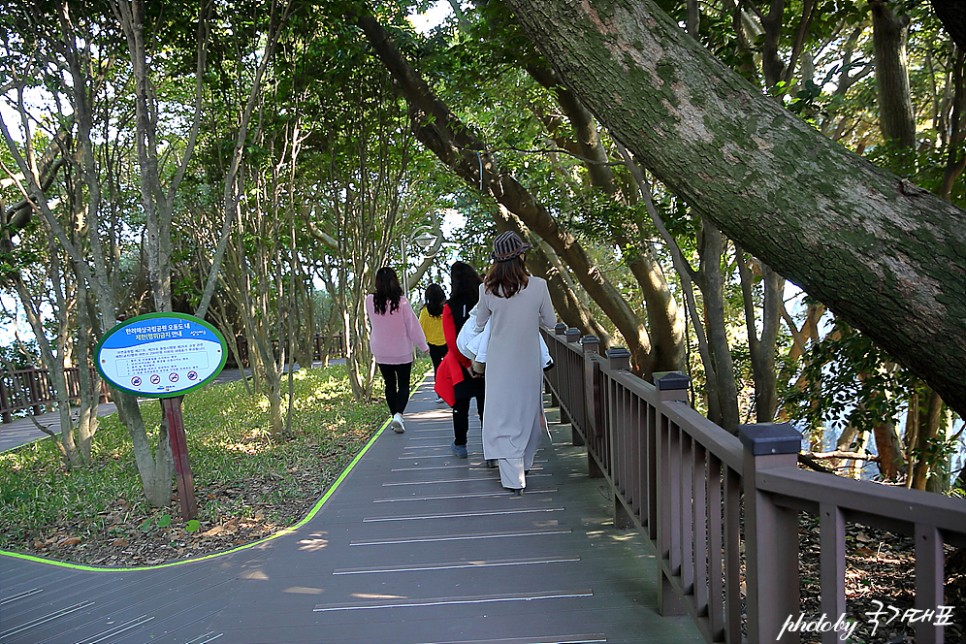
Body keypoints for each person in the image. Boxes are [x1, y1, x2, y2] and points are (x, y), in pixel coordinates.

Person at [476, 231, 555, 494]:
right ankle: (525, 462)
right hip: (528, 360)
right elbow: (551, 323)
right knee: (529, 411)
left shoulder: (486, 289)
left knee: (502, 416)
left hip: (499, 362)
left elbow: (480, 321)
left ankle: (514, 477)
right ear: (521, 256)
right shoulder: (539, 286)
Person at [366, 267, 429, 433]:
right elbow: (412, 327)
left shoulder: (369, 301)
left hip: (381, 350)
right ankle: (399, 415)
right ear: (395, 281)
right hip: (401, 350)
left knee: (389, 384)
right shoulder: (402, 302)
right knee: (403, 385)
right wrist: (423, 346)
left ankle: (394, 414)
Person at [433, 261, 485, 459]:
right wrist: (477, 363)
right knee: (485, 407)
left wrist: (466, 364)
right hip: (483, 359)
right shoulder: (483, 300)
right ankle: (491, 451)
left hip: (460, 363)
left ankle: (460, 445)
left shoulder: (449, 307)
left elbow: (450, 341)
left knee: (461, 405)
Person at [418, 283, 448, 402]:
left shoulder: (425, 312)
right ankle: (451, 390)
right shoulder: (447, 308)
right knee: (450, 367)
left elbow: (421, 328)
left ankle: (440, 394)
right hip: (447, 343)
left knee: (437, 368)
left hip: (433, 345)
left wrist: (423, 344)